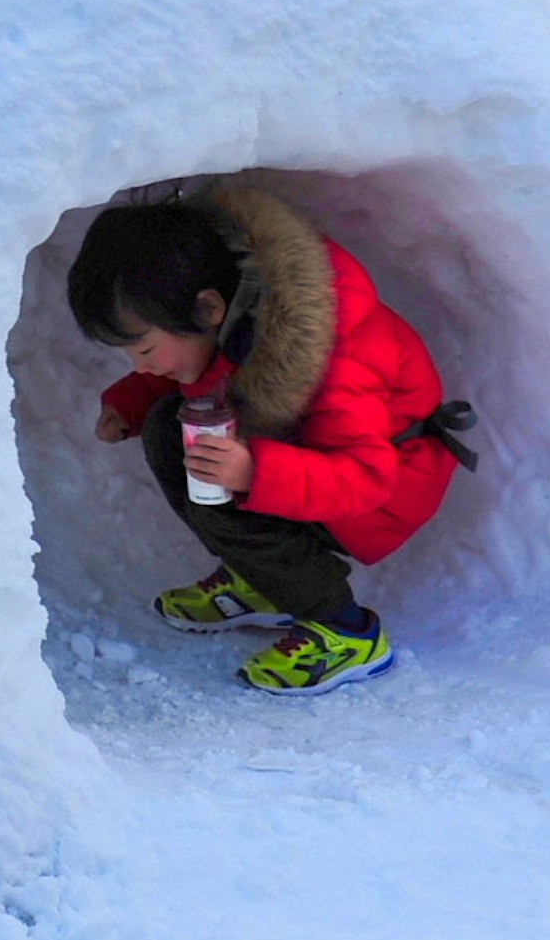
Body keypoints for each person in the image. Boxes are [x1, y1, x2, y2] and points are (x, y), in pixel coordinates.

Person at [67, 181, 473, 696]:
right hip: (308, 452)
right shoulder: (237, 305)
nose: (142, 365)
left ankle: (348, 631)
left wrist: (255, 473)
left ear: (208, 308)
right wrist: (133, 398)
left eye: (145, 351)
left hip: (382, 488)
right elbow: (212, 362)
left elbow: (367, 478)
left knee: (213, 475)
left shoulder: (334, 357)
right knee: (175, 431)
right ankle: (263, 580)